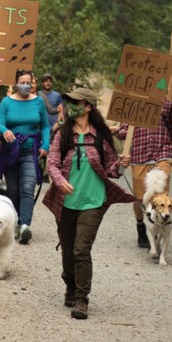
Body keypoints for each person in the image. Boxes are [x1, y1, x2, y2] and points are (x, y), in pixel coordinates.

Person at [44, 87, 134, 320]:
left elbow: (112, 170)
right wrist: (60, 180)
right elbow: (52, 163)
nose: (71, 106)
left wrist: (123, 164)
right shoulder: (62, 135)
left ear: (88, 106)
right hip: (65, 201)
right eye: (69, 101)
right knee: (67, 251)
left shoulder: (102, 137)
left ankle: (82, 299)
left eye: (77, 101)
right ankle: (70, 285)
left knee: (81, 249)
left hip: (93, 201)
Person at [119, 97, 172, 249]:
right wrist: (115, 131)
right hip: (139, 154)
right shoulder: (133, 100)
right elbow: (124, 131)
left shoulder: (170, 101)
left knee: (160, 194)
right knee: (140, 198)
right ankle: (140, 225)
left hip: (162, 152)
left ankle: (158, 228)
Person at [0, 69, 50, 245]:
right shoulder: (7, 102)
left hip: (30, 151)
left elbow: (46, 126)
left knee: (28, 187)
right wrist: (5, 131)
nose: (25, 85)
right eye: (22, 82)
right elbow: (0, 124)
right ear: (16, 83)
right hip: (11, 151)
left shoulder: (38, 102)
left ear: (32, 83)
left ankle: (25, 225)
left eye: (28, 82)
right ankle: (15, 222)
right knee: (13, 190)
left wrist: (45, 145)